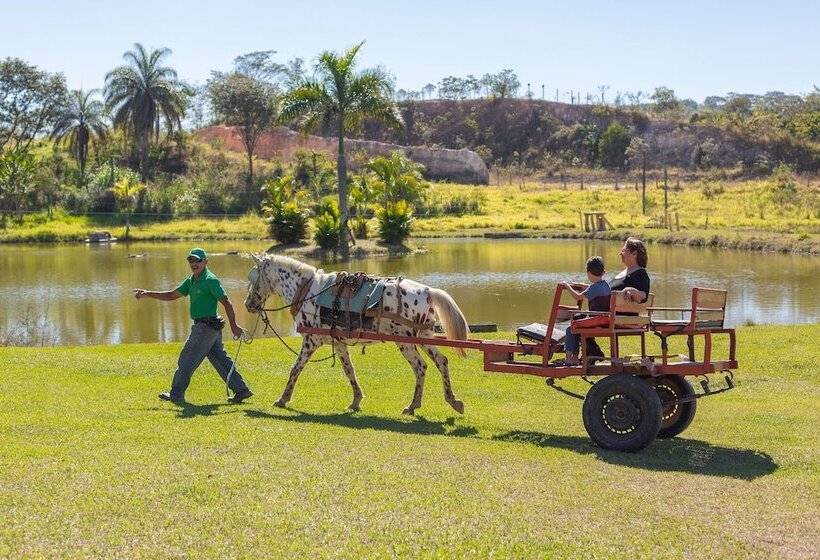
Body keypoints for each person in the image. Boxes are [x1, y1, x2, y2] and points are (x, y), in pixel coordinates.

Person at [133, 247, 253, 404]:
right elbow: (171, 295)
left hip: (205, 328)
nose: (194, 264)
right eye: (191, 260)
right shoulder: (191, 280)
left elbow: (227, 303)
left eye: (198, 260)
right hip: (210, 327)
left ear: (205, 262)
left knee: (187, 359)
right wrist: (148, 293)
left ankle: (176, 394)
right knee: (220, 359)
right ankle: (241, 390)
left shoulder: (210, 280)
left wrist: (234, 326)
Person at [585, 237, 651, 359]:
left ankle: (589, 351)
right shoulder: (622, 273)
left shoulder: (640, 273)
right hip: (609, 314)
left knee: (578, 319)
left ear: (634, 253)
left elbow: (644, 296)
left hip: (619, 317)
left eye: (624, 250)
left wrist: (632, 290)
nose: (620, 253)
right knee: (580, 318)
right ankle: (591, 349)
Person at [559, 256, 611, 366]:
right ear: (603, 272)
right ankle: (583, 354)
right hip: (605, 319)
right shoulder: (606, 285)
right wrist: (582, 285)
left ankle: (570, 358)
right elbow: (593, 288)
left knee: (571, 328)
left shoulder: (593, 288)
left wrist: (567, 286)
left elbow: (578, 297)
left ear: (588, 273)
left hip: (596, 319)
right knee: (577, 321)